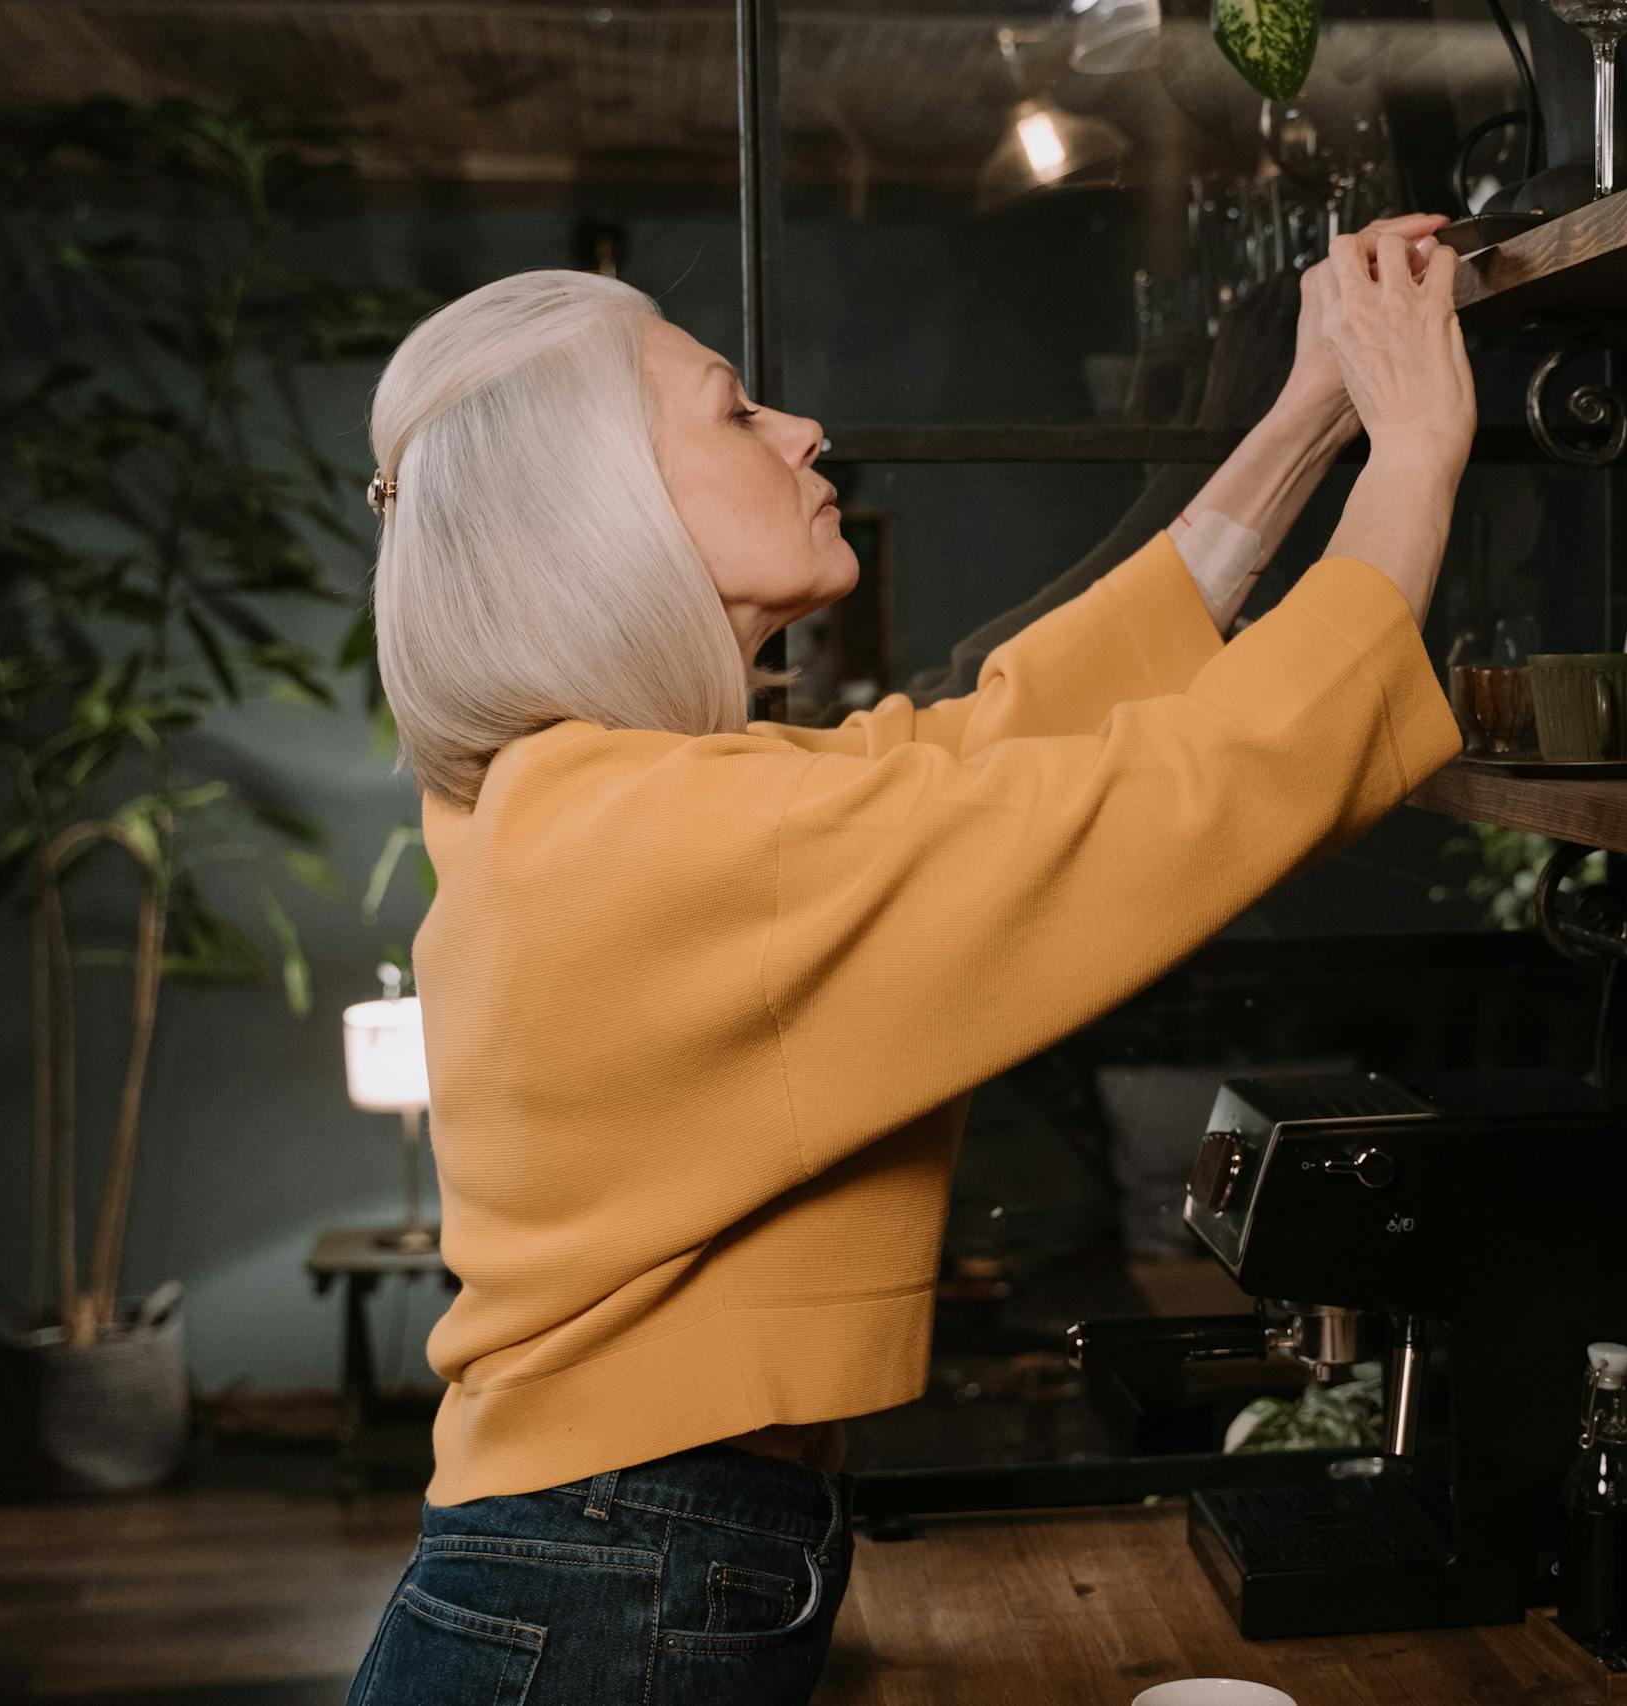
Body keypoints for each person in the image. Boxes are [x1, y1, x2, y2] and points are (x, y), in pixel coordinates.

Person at [344, 213, 1476, 1706]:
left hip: (613, 1560)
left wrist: (1306, 417)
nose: (805, 431)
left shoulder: (587, 804)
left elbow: (989, 740)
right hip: (614, 1581)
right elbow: (1162, 801)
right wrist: (1417, 454)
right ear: (598, 507)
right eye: (733, 410)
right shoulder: (655, 833)